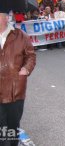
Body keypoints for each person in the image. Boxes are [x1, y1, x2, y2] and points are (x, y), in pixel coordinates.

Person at [0, 9, 36, 146]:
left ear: (4, 19)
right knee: (2, 128)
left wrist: (26, 69)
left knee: (13, 125)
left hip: (15, 90)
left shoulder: (21, 36)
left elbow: (31, 56)